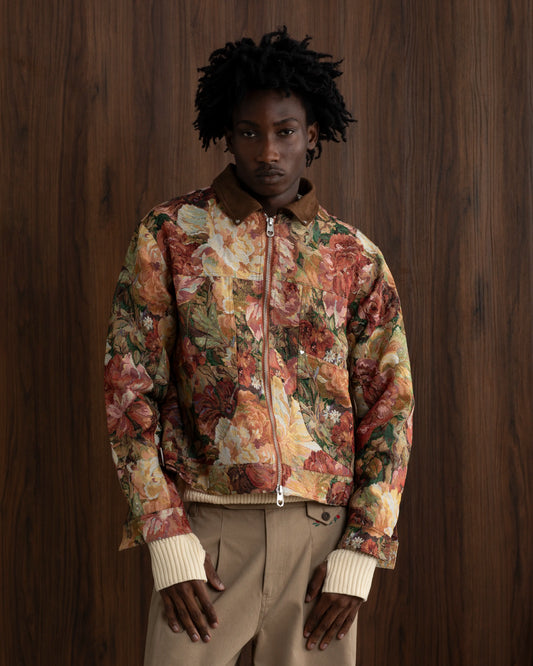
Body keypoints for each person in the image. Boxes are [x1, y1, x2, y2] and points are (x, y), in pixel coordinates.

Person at [104, 27, 414, 666]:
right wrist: (167, 536)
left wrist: (360, 551)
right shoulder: (170, 236)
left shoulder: (354, 258)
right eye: (249, 132)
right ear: (227, 134)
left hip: (320, 543)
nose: (268, 151)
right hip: (208, 539)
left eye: (285, 132)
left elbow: (390, 408)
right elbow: (128, 393)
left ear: (313, 135)